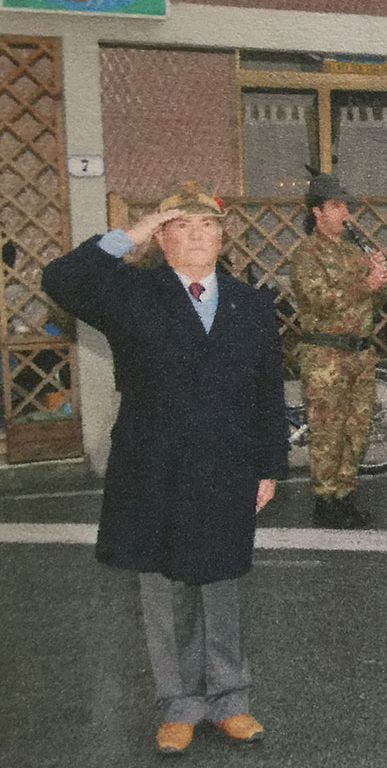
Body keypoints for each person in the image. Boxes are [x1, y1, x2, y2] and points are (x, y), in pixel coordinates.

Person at [41, 181, 288, 756]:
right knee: (165, 586)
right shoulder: (130, 294)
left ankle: (231, 699)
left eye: (208, 226)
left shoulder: (250, 303)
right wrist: (131, 232)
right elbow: (61, 281)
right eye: (181, 226)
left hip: (228, 463)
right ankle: (178, 705)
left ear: (223, 237)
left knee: (222, 584)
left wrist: (270, 467)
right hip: (154, 465)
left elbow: (266, 393)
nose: (198, 236)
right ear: (162, 238)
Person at [290, 173, 387, 529]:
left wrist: (378, 278)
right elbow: (319, 300)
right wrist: (365, 284)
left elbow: (376, 301)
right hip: (326, 356)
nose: (344, 212)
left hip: (359, 356)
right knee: (327, 431)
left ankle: (345, 494)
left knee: (356, 430)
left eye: (345, 205)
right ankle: (325, 499)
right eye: (335, 206)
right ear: (317, 212)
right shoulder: (307, 253)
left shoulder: (353, 251)